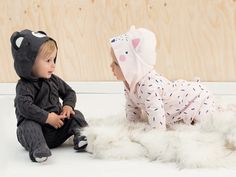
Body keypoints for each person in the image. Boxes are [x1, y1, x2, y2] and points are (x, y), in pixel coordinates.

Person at [109, 26, 216, 130]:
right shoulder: (129, 83)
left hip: (195, 99)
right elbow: (132, 107)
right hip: (177, 103)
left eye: (115, 63)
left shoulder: (148, 86)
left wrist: (156, 136)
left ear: (132, 67)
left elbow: (157, 118)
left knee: (204, 122)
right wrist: (131, 128)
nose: (111, 66)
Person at [10, 29, 88, 163]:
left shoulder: (54, 80)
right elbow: (24, 106)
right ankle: (38, 148)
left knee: (76, 114)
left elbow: (69, 92)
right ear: (29, 62)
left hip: (56, 127)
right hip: (36, 131)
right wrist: (46, 118)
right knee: (28, 125)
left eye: (54, 59)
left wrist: (68, 106)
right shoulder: (24, 86)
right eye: (47, 60)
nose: (53, 65)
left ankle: (82, 137)